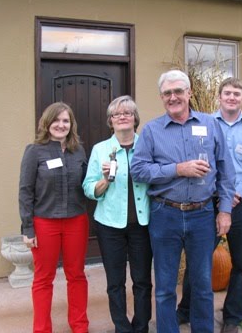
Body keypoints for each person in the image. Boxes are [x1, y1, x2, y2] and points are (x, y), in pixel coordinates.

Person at [130, 70, 235, 333]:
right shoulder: (152, 130)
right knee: (165, 287)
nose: (173, 97)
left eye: (178, 91)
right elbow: (139, 170)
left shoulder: (211, 125)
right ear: (161, 97)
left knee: (202, 284)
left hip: (202, 215)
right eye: (167, 93)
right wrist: (178, 169)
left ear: (189, 93)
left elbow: (225, 170)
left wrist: (224, 211)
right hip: (165, 215)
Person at [176, 77, 242, 333]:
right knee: (198, 258)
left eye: (237, 94)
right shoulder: (203, 124)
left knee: (240, 262)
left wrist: (234, 194)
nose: (232, 98)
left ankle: (232, 318)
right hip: (209, 201)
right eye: (227, 93)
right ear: (219, 97)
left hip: (241, 201)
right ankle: (185, 310)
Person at [82, 95, 152, 333]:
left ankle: (141, 327)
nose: (122, 117)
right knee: (115, 282)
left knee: (142, 280)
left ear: (135, 119)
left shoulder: (148, 145)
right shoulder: (100, 150)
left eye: (128, 113)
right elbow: (88, 188)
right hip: (109, 225)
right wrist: (104, 180)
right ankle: (122, 328)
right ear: (110, 121)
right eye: (116, 114)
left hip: (142, 224)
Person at [19, 102, 89, 333]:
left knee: (77, 275)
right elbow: (25, 190)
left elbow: (87, 184)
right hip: (44, 222)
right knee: (43, 278)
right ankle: (41, 329)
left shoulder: (78, 150)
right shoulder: (34, 151)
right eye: (56, 120)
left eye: (66, 121)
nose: (61, 125)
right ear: (47, 123)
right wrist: (28, 228)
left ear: (71, 125)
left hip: (76, 221)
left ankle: (79, 326)